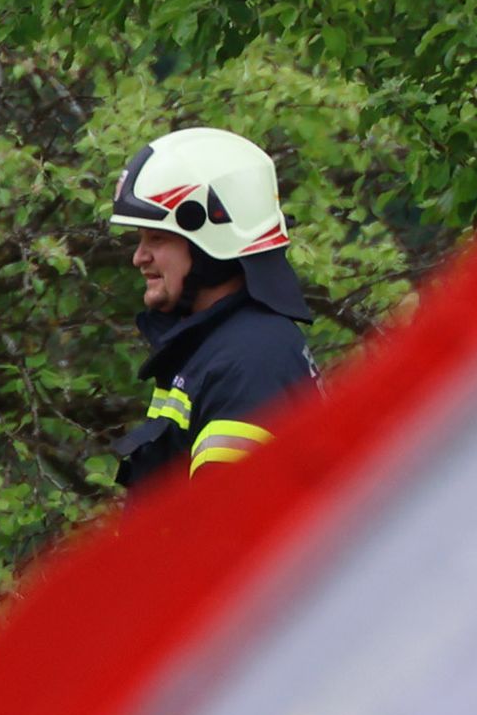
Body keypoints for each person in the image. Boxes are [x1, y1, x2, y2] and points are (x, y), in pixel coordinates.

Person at [105, 127, 320, 485]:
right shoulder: (220, 350)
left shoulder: (249, 362)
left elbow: (229, 512)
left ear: (210, 244)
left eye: (156, 238)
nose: (139, 257)